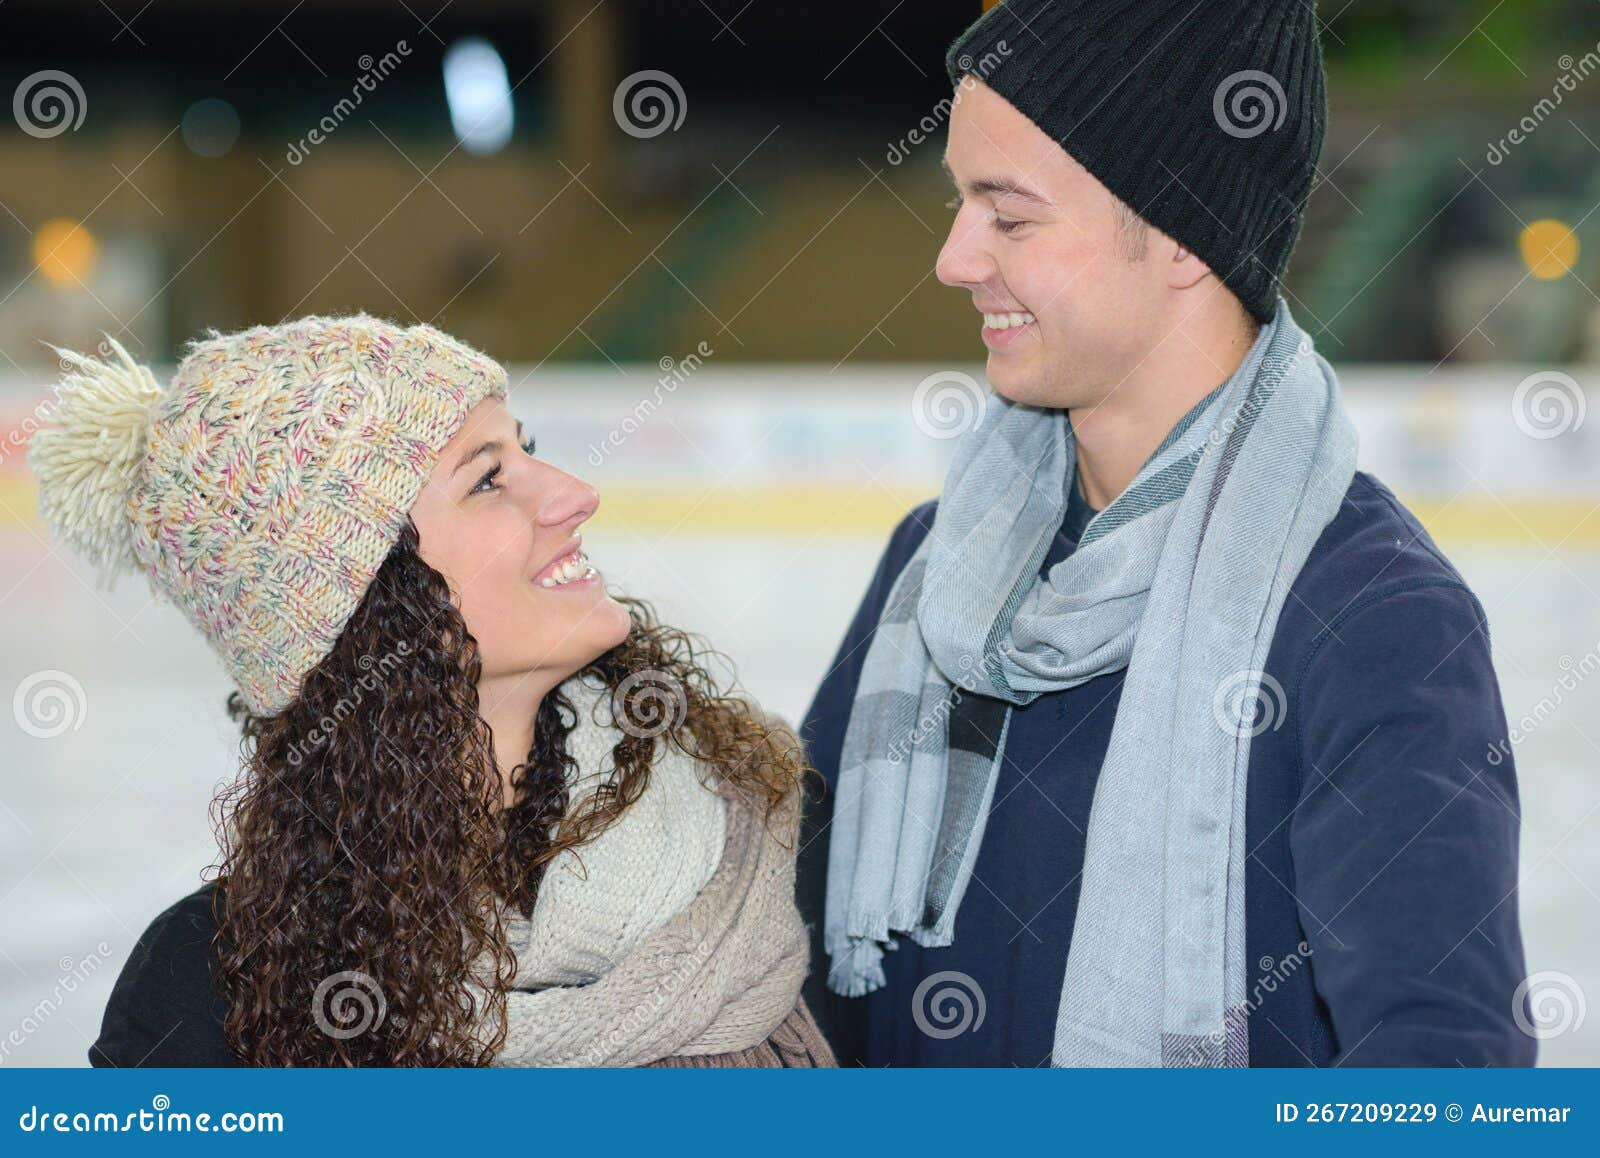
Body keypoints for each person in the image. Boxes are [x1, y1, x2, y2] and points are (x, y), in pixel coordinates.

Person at [796, 0, 1535, 1067]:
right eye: (961, 204)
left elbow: (1445, 1079)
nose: (956, 259)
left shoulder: (1370, 618)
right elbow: (795, 967)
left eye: (1007, 215)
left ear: (1180, 232)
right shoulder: (934, 569)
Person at [29, 314, 834, 1067]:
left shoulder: (754, 825)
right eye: (488, 480)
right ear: (366, 602)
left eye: (529, 450)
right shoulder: (213, 987)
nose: (573, 495)